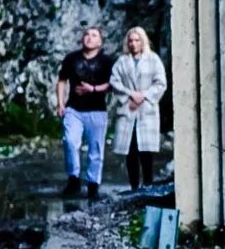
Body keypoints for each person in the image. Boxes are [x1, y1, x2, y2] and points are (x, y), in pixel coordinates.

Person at [54, 26, 116, 196]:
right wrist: (60, 103)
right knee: (70, 141)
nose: (89, 37)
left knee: (95, 148)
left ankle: (93, 183)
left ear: (100, 41)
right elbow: (62, 81)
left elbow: (113, 85)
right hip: (73, 108)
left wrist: (93, 88)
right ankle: (73, 178)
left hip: (97, 110)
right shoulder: (71, 58)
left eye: (94, 35)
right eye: (86, 34)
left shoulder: (107, 61)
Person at [110, 26, 167, 192]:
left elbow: (160, 83)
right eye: (131, 41)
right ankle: (134, 185)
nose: (133, 44)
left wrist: (143, 96)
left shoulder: (153, 59)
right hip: (128, 108)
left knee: (146, 149)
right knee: (131, 148)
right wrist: (130, 95)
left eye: (137, 40)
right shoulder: (122, 61)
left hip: (146, 108)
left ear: (143, 42)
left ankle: (148, 183)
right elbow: (114, 82)